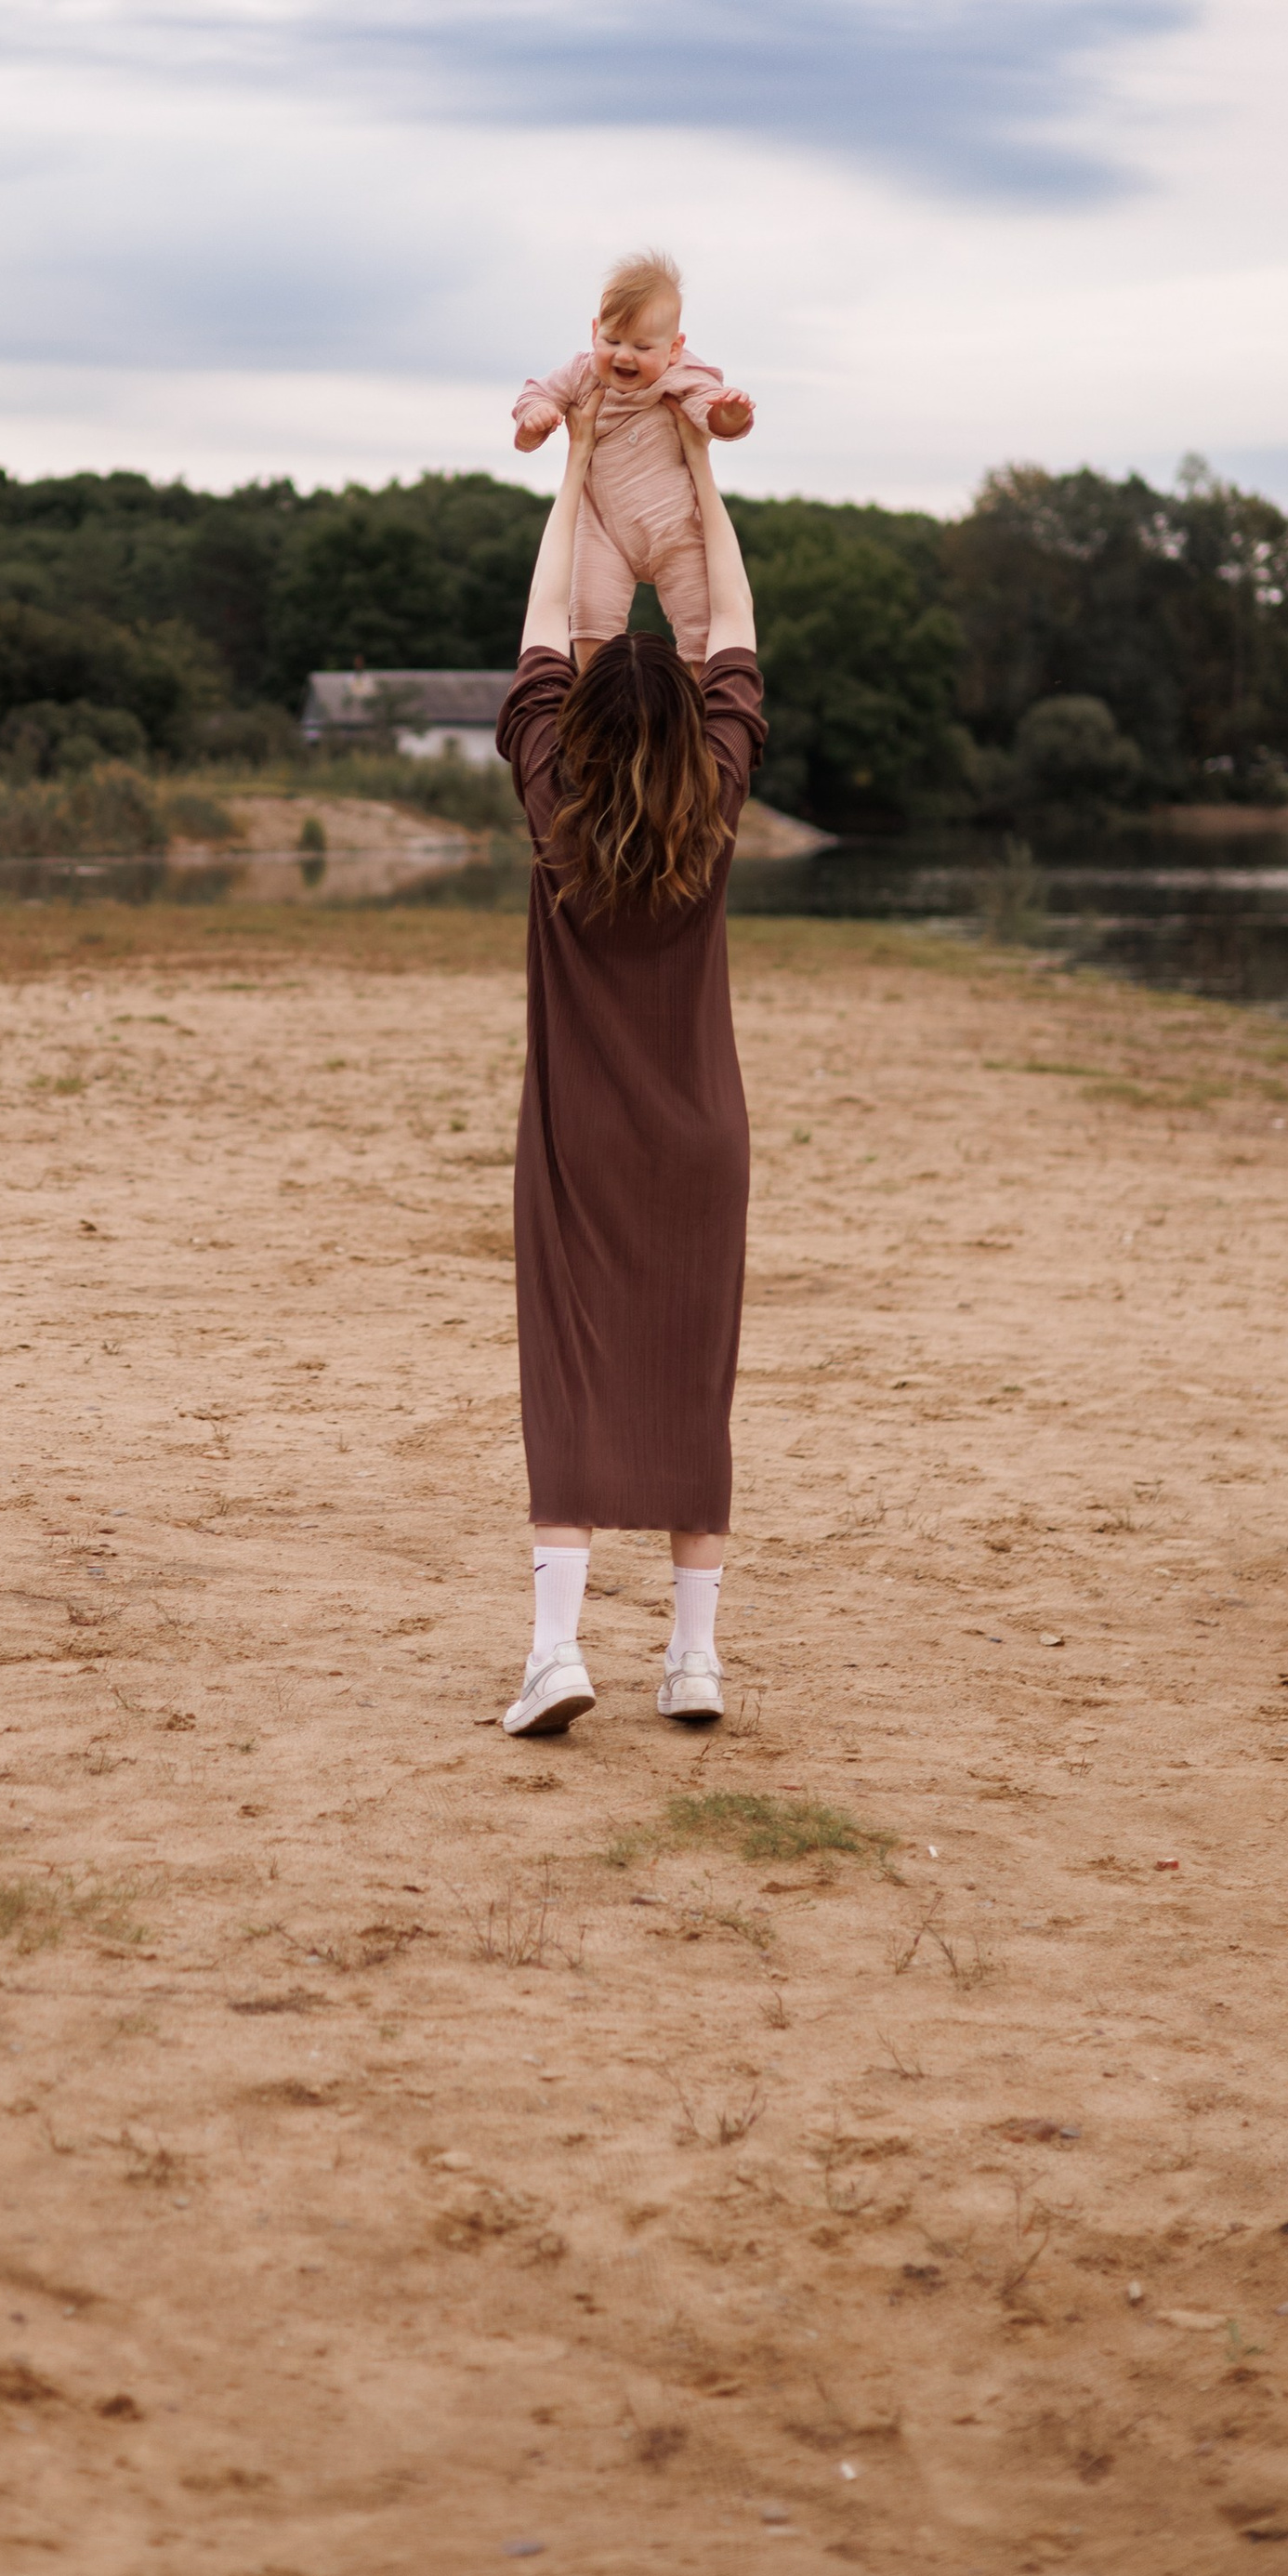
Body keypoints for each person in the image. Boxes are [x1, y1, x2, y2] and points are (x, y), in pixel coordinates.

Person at [493, 375, 766, 1735]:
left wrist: (581, 467)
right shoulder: (715, 798)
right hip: (703, 1141)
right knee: (688, 1381)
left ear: (591, 731)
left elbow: (555, 625)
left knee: (573, 1364)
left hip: (581, 1135)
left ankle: (557, 1655)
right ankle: (694, 1662)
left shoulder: (554, 796)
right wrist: (699, 476)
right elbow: (728, 629)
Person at [511, 248, 756, 664]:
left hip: (675, 528)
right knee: (589, 614)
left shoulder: (684, 375)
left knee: (703, 625)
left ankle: (699, 702)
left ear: (675, 348)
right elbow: (535, 391)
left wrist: (727, 415)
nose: (624, 356)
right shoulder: (581, 373)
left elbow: (709, 413)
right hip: (604, 528)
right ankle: (593, 689)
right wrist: (535, 415)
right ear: (594, 332)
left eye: (642, 346)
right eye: (612, 341)